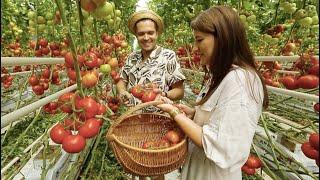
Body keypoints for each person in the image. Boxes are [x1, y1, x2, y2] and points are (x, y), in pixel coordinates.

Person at [156, 6, 269, 180]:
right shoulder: (221, 75)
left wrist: (175, 113)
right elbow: (219, 119)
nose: (195, 47)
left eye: (199, 39)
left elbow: (221, 145)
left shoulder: (240, 81)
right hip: (199, 170)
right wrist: (194, 114)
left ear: (222, 38)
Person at [116, 9, 186, 111]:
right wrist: (122, 92)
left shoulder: (168, 56)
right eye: (141, 34)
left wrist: (164, 94)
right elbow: (121, 80)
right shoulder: (132, 57)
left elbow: (179, 91)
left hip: (158, 119)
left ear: (157, 33)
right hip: (132, 118)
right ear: (136, 35)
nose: (146, 37)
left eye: (150, 33)